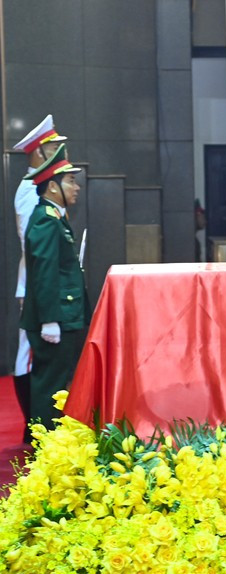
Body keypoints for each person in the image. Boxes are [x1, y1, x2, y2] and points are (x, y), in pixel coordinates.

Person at [20, 144, 90, 430]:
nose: (76, 187)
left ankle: (50, 440)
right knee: (51, 385)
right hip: (56, 317)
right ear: (52, 186)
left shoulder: (55, 217)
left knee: (58, 381)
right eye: (70, 181)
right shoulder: (46, 221)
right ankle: (45, 443)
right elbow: (44, 273)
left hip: (63, 313)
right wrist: (49, 320)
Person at [11, 114, 68, 440]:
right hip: (34, 283)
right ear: (39, 152)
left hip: (42, 281)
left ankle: (35, 422)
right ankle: (31, 423)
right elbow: (31, 243)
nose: (61, 151)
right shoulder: (29, 190)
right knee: (29, 354)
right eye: (54, 146)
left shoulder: (42, 186)